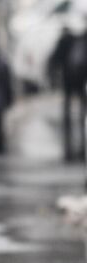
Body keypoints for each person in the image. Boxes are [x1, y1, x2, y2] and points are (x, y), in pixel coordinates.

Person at [48, 15, 87, 162]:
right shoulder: (81, 40)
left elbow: (54, 60)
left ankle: (69, 140)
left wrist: (53, 76)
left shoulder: (64, 41)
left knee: (68, 110)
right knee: (82, 109)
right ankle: (80, 144)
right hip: (81, 80)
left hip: (68, 81)